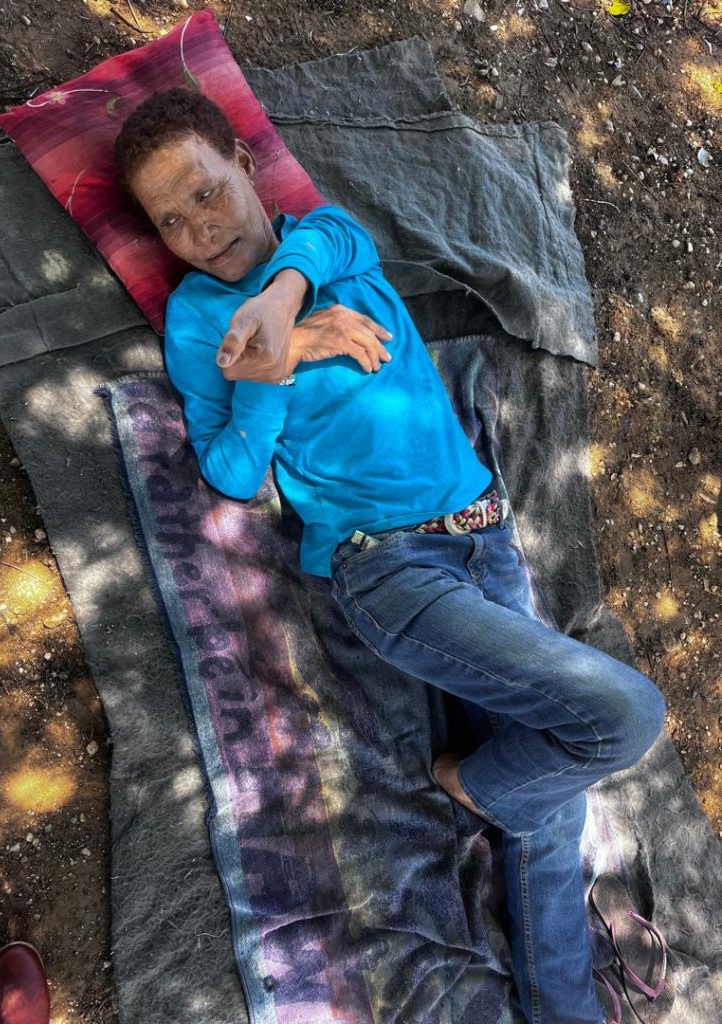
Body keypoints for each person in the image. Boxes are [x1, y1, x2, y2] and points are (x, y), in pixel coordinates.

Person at [114, 88, 666, 1024]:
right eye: (170, 220)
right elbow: (232, 471)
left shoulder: (327, 238)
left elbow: (329, 242)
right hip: (386, 572)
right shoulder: (199, 320)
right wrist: (278, 362)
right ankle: (473, 785)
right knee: (623, 714)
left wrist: (282, 304)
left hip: (485, 539)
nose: (200, 230)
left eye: (207, 193)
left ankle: (556, 988)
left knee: (548, 792)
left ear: (246, 166)